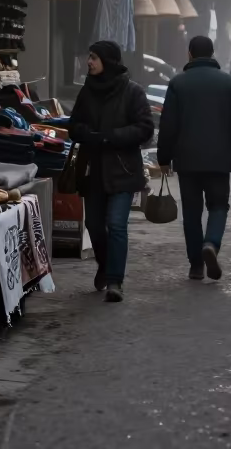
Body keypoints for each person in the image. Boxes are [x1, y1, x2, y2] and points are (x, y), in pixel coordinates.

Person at [67, 40, 154, 302]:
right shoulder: (87, 92)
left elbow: (145, 128)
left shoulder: (133, 92)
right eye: (89, 57)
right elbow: (74, 126)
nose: (88, 62)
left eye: (93, 57)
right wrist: (89, 135)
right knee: (94, 224)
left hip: (122, 170)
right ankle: (105, 265)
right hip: (92, 170)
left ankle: (115, 281)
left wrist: (111, 136)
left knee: (116, 224)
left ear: (108, 61)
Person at [157, 35, 231, 281]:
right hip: (219, 159)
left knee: (191, 212)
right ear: (212, 53)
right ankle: (211, 243)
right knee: (219, 206)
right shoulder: (227, 82)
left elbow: (168, 124)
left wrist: (164, 158)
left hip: (187, 160)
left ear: (189, 54)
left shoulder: (178, 83)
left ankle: (196, 265)